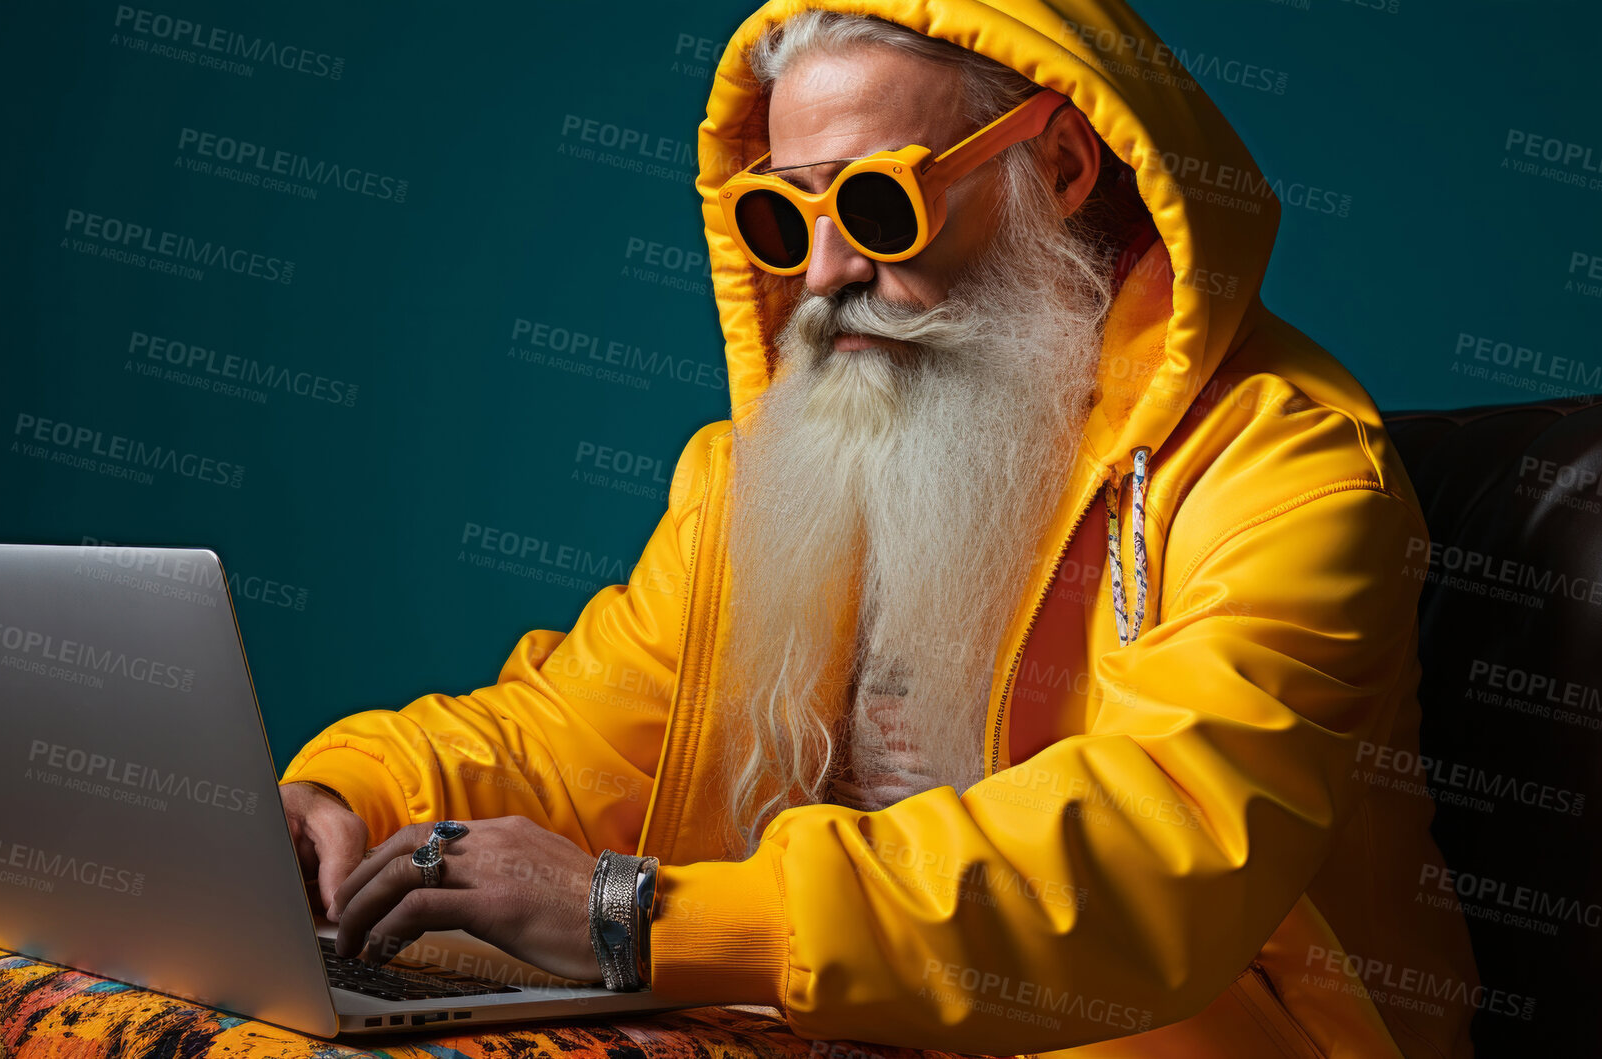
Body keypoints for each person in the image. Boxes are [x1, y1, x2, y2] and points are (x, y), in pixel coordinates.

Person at [278, 2, 1481, 1054]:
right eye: (780, 216)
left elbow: (1150, 856)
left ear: (1058, 165)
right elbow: (583, 730)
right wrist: (350, 800)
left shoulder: (1286, 471)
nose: (820, 273)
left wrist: (637, 917)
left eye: (875, 202)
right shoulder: (774, 468)